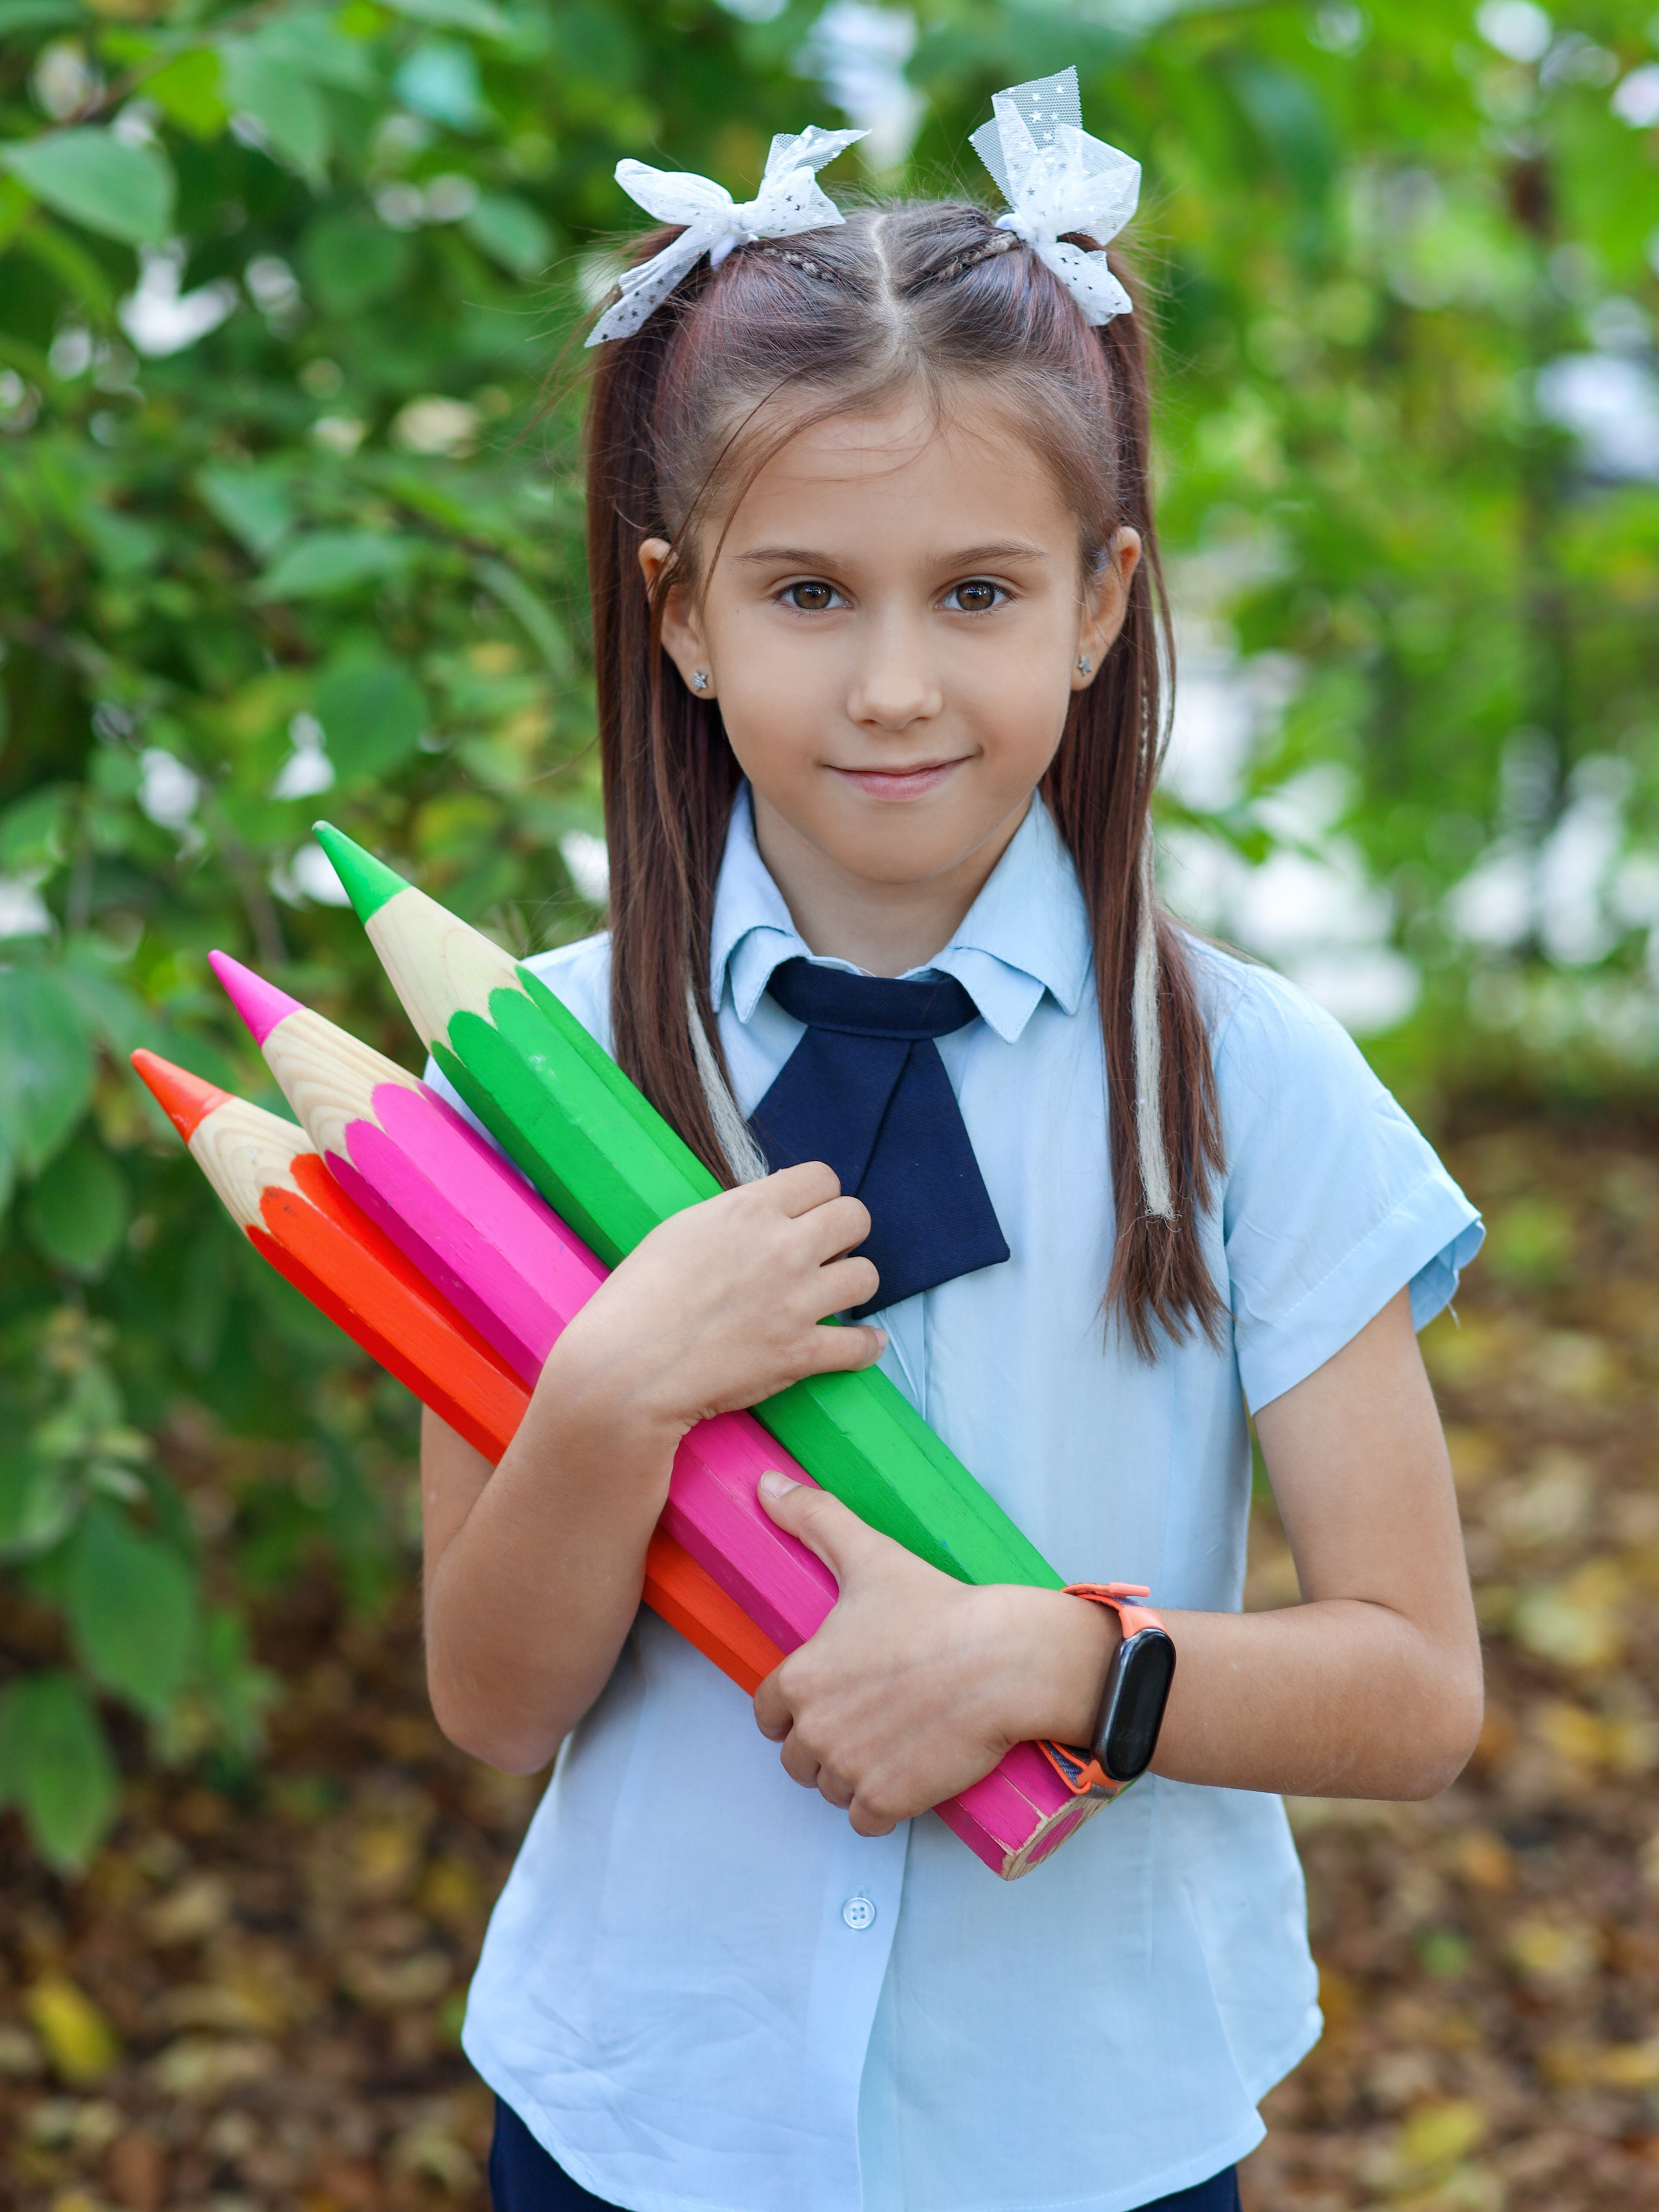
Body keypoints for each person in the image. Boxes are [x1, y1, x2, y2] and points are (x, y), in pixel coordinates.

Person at [418, 71, 1486, 2212]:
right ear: (678, 612)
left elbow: (1417, 1687)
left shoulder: (1244, 1081)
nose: (897, 682)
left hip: (1085, 2131)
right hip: (650, 2118)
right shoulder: (530, 1061)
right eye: (809, 593)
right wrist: (617, 1388)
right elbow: (494, 1700)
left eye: (978, 594)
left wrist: (1060, 1664)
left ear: (1101, 605)